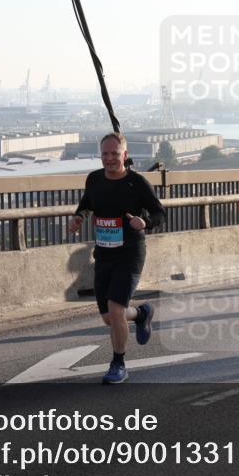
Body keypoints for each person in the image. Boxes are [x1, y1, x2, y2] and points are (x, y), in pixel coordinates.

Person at [67, 133, 165, 384]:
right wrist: (79, 217)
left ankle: (118, 363)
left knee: (115, 308)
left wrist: (146, 222)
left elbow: (160, 213)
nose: (109, 159)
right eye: (105, 154)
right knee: (110, 317)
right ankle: (142, 314)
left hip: (130, 253)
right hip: (104, 253)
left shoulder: (137, 183)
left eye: (114, 154)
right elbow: (87, 203)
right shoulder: (94, 179)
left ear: (125, 155)